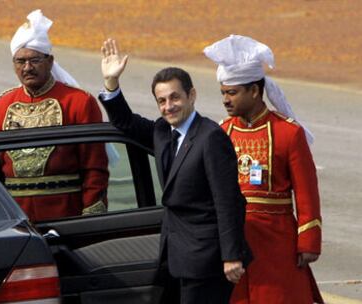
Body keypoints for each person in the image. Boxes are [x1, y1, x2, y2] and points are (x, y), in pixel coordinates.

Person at [98, 38, 252, 304]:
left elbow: (228, 201)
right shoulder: (161, 131)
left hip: (208, 258)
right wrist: (112, 83)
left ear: (191, 95)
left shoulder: (210, 138)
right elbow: (125, 122)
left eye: (175, 98)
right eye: (161, 101)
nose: (168, 106)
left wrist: (231, 256)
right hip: (175, 257)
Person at [204, 34, 324, 304]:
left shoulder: (288, 133)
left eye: (232, 93)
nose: (226, 100)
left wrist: (308, 241)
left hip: (277, 244)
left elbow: (307, 193)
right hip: (234, 243)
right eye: (223, 93)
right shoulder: (222, 132)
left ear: (255, 91)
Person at [0, 10, 109, 221]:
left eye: (34, 60)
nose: (27, 68)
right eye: (20, 61)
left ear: (50, 61)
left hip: (67, 217)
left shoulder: (79, 102)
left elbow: (94, 166)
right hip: (18, 221)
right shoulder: (2, 106)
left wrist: (90, 219)